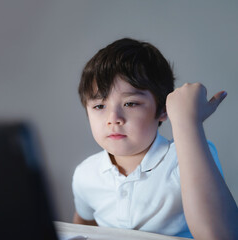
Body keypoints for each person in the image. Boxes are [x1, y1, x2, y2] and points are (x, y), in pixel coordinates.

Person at [72, 38, 238, 239]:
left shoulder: (185, 156)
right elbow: (81, 227)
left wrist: (187, 122)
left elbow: (221, 235)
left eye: (131, 103)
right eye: (99, 106)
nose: (113, 119)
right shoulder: (85, 173)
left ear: (162, 110)